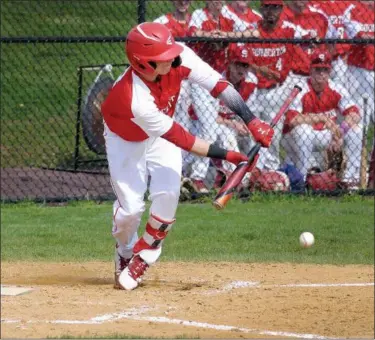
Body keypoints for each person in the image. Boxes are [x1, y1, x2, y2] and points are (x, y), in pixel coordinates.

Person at [101, 22, 274, 290]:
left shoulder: (180, 56)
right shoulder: (134, 98)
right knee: (130, 211)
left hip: (161, 130)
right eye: (163, 58)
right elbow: (183, 139)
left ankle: (144, 255)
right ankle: (124, 250)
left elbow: (220, 86)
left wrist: (251, 122)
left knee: (169, 193)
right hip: (125, 138)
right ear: (143, 63)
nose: (173, 58)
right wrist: (230, 155)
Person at [281, 49, 362, 188]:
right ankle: (303, 180)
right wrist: (321, 118)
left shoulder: (336, 88)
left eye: (325, 70)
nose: (321, 74)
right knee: (303, 130)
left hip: (326, 135)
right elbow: (292, 120)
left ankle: (350, 181)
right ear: (310, 71)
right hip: (297, 138)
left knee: (356, 130)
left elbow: (355, 113)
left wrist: (340, 132)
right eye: (317, 69)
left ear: (329, 72)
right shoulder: (301, 88)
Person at [246, 0, 309, 171]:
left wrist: (310, 40)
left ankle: (271, 174)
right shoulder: (251, 29)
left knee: (272, 135)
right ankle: (253, 171)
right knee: (251, 134)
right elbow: (241, 59)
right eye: (267, 7)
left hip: (276, 90)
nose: (271, 11)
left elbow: (308, 39)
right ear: (261, 8)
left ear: (281, 9)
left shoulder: (289, 29)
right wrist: (259, 69)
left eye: (275, 7)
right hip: (252, 91)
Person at [343, 0, 374, 126]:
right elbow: (360, 35)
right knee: (361, 117)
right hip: (359, 70)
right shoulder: (352, 9)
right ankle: (359, 145)